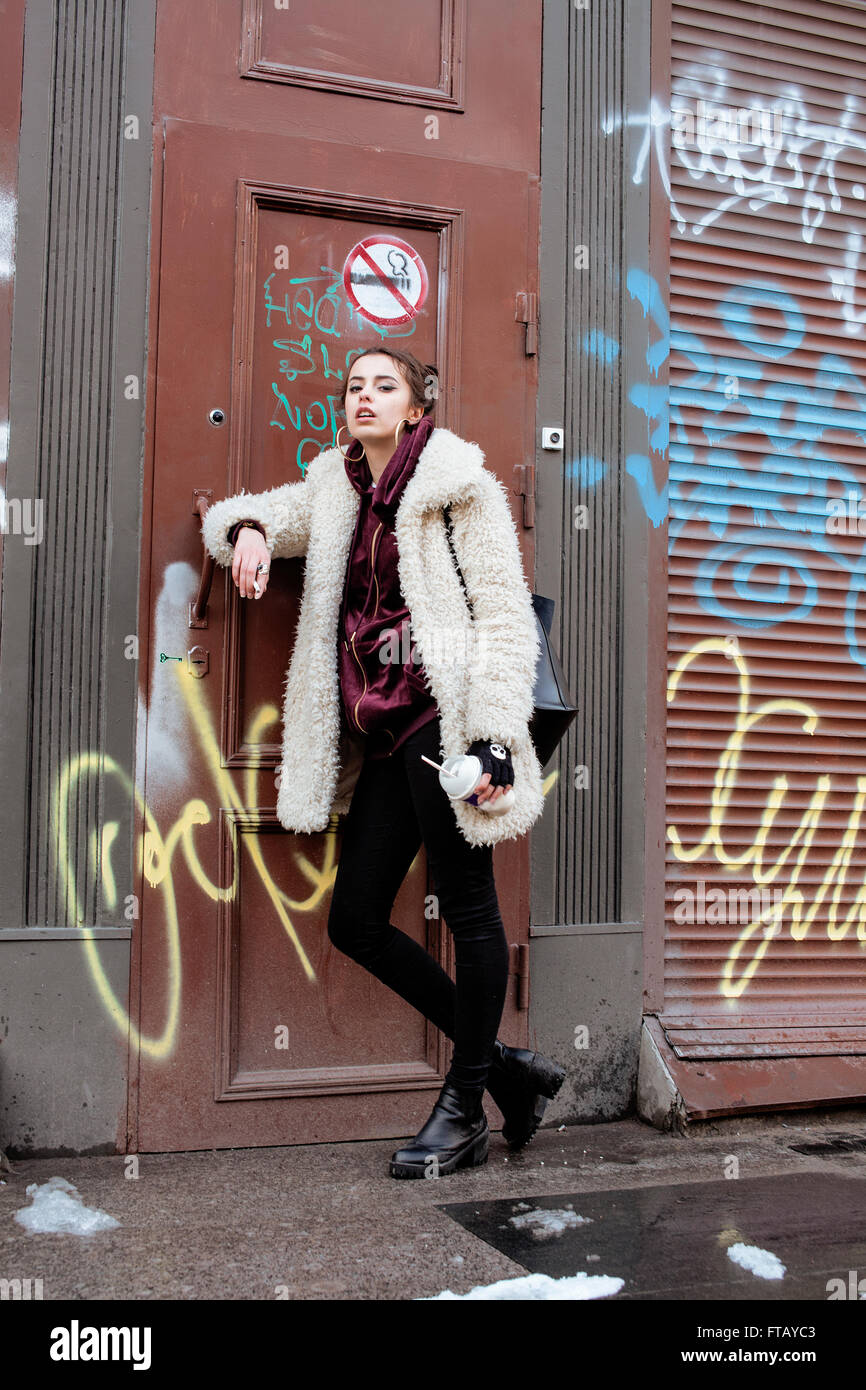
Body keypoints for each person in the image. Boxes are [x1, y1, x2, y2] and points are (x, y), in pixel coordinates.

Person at [202, 347, 565, 1177]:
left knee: (470, 908)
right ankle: (507, 1075)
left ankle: (464, 1108)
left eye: (384, 386)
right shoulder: (336, 484)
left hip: (446, 721)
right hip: (386, 733)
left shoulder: (459, 485)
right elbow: (253, 515)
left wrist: (494, 737)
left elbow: (505, 617)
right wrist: (249, 532)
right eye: (354, 386)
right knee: (355, 921)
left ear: (415, 407)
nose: (364, 396)